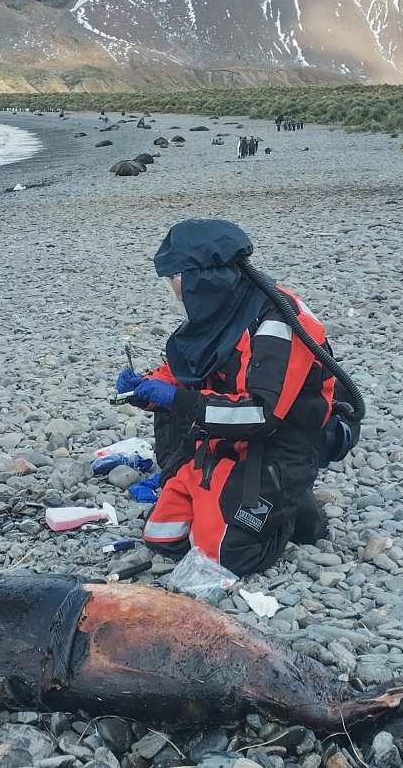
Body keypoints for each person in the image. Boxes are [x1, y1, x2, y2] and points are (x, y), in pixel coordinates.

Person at [114, 219, 336, 576]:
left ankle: (291, 508)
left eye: (175, 280)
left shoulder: (278, 323)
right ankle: (242, 497)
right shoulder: (225, 307)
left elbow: (260, 415)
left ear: (200, 280)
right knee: (162, 537)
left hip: (278, 444)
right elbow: (187, 367)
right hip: (223, 437)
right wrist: (145, 389)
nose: (174, 292)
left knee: (223, 556)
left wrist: (177, 400)